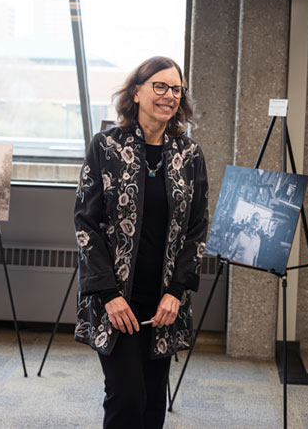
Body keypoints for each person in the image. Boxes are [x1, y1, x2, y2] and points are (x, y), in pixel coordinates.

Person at [73, 56, 209, 429]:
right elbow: (85, 223)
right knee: (126, 397)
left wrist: (177, 290)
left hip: (164, 302)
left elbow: (197, 229)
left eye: (176, 89)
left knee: (151, 403)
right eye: (159, 86)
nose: (168, 95)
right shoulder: (106, 147)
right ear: (136, 92)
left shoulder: (189, 155)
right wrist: (107, 294)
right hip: (115, 301)